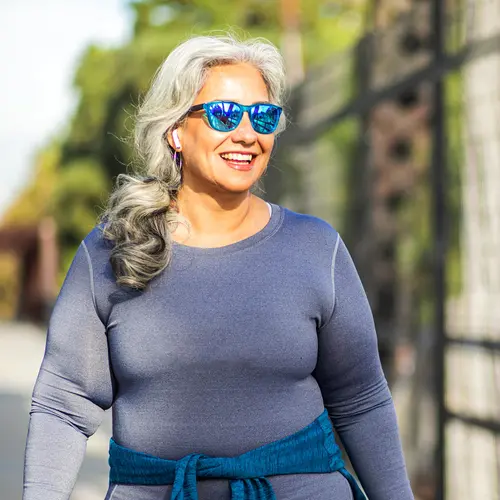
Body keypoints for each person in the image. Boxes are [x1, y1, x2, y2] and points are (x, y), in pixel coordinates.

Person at [23, 34, 414, 500]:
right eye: (224, 114)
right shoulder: (113, 249)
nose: (247, 134)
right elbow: (64, 404)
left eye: (263, 116)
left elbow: (361, 400)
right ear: (175, 131)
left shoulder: (315, 247)